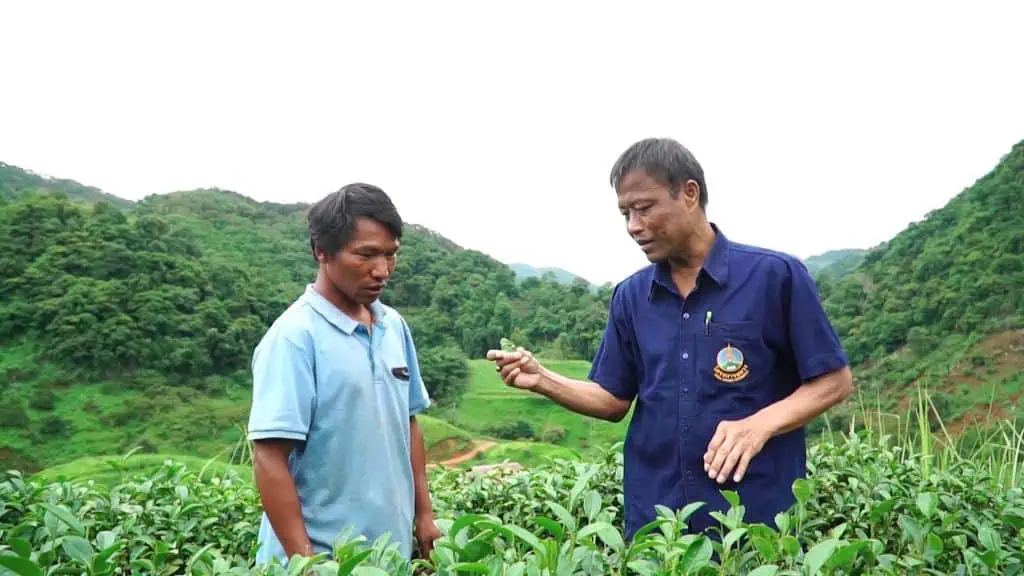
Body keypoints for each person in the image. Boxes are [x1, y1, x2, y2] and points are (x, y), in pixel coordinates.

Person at [487, 138, 854, 539]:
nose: (633, 226)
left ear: (690, 194)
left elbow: (833, 381)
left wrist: (759, 425)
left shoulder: (775, 277)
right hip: (657, 525)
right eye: (625, 213)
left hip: (755, 521)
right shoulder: (631, 296)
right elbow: (612, 400)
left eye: (644, 208)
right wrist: (542, 379)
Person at [246, 183, 441, 565]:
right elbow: (268, 459)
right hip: (325, 558)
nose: (382, 271)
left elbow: (408, 422)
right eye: (365, 255)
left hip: (389, 554)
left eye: (390, 255)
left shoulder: (393, 326)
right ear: (322, 251)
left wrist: (424, 515)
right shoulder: (294, 338)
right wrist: (305, 564)